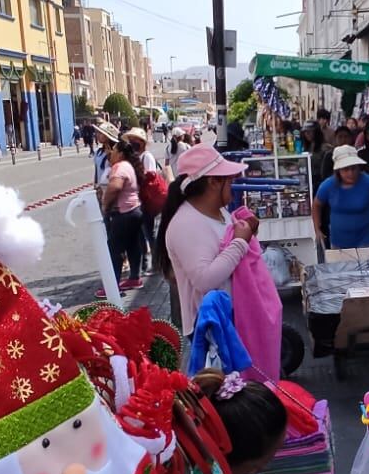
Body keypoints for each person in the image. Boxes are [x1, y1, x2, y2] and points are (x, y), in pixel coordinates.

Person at [157, 142, 255, 346]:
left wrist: (245, 234)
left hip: (228, 319)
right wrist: (239, 242)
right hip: (211, 329)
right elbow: (204, 280)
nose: (233, 185)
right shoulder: (186, 224)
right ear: (213, 182)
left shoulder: (218, 211)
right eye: (229, 180)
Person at [313, 145, 369, 250]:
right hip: (338, 241)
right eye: (346, 169)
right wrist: (317, 229)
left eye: (354, 168)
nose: (351, 173)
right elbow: (316, 205)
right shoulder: (327, 185)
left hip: (365, 239)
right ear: (338, 170)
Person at [101, 127, 146, 286]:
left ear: (120, 153)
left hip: (124, 213)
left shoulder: (119, 167)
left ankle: (112, 285)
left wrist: (105, 206)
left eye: (113, 150)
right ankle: (134, 277)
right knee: (132, 245)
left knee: (114, 249)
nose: (111, 153)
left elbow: (115, 188)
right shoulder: (129, 165)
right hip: (134, 211)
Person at [125, 126, 163, 272]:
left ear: (141, 141)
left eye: (134, 140)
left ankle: (157, 262)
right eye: (130, 140)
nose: (132, 142)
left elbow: (150, 176)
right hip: (138, 200)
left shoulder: (146, 156)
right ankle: (145, 262)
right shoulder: (133, 157)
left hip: (146, 200)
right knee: (141, 233)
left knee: (149, 232)